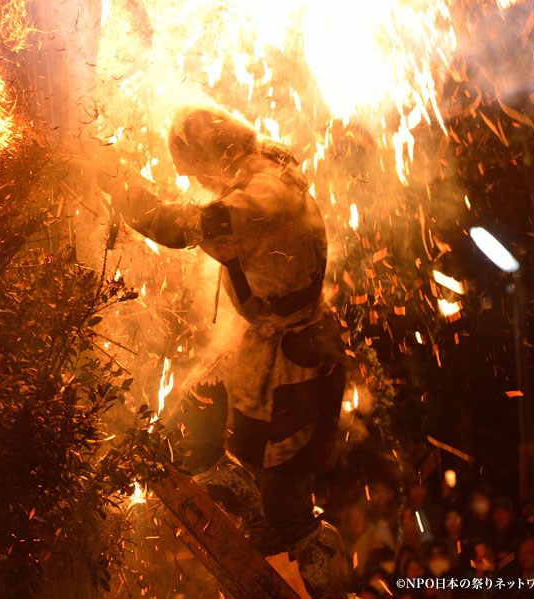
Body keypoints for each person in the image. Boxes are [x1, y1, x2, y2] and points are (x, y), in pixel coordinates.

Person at [99, 105, 349, 598]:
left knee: (289, 503)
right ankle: (260, 529)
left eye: (194, 168)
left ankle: (324, 589)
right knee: (205, 436)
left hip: (295, 363)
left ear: (216, 154)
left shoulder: (261, 196)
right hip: (263, 348)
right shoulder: (263, 162)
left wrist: (113, 180)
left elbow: (173, 227)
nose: (194, 180)